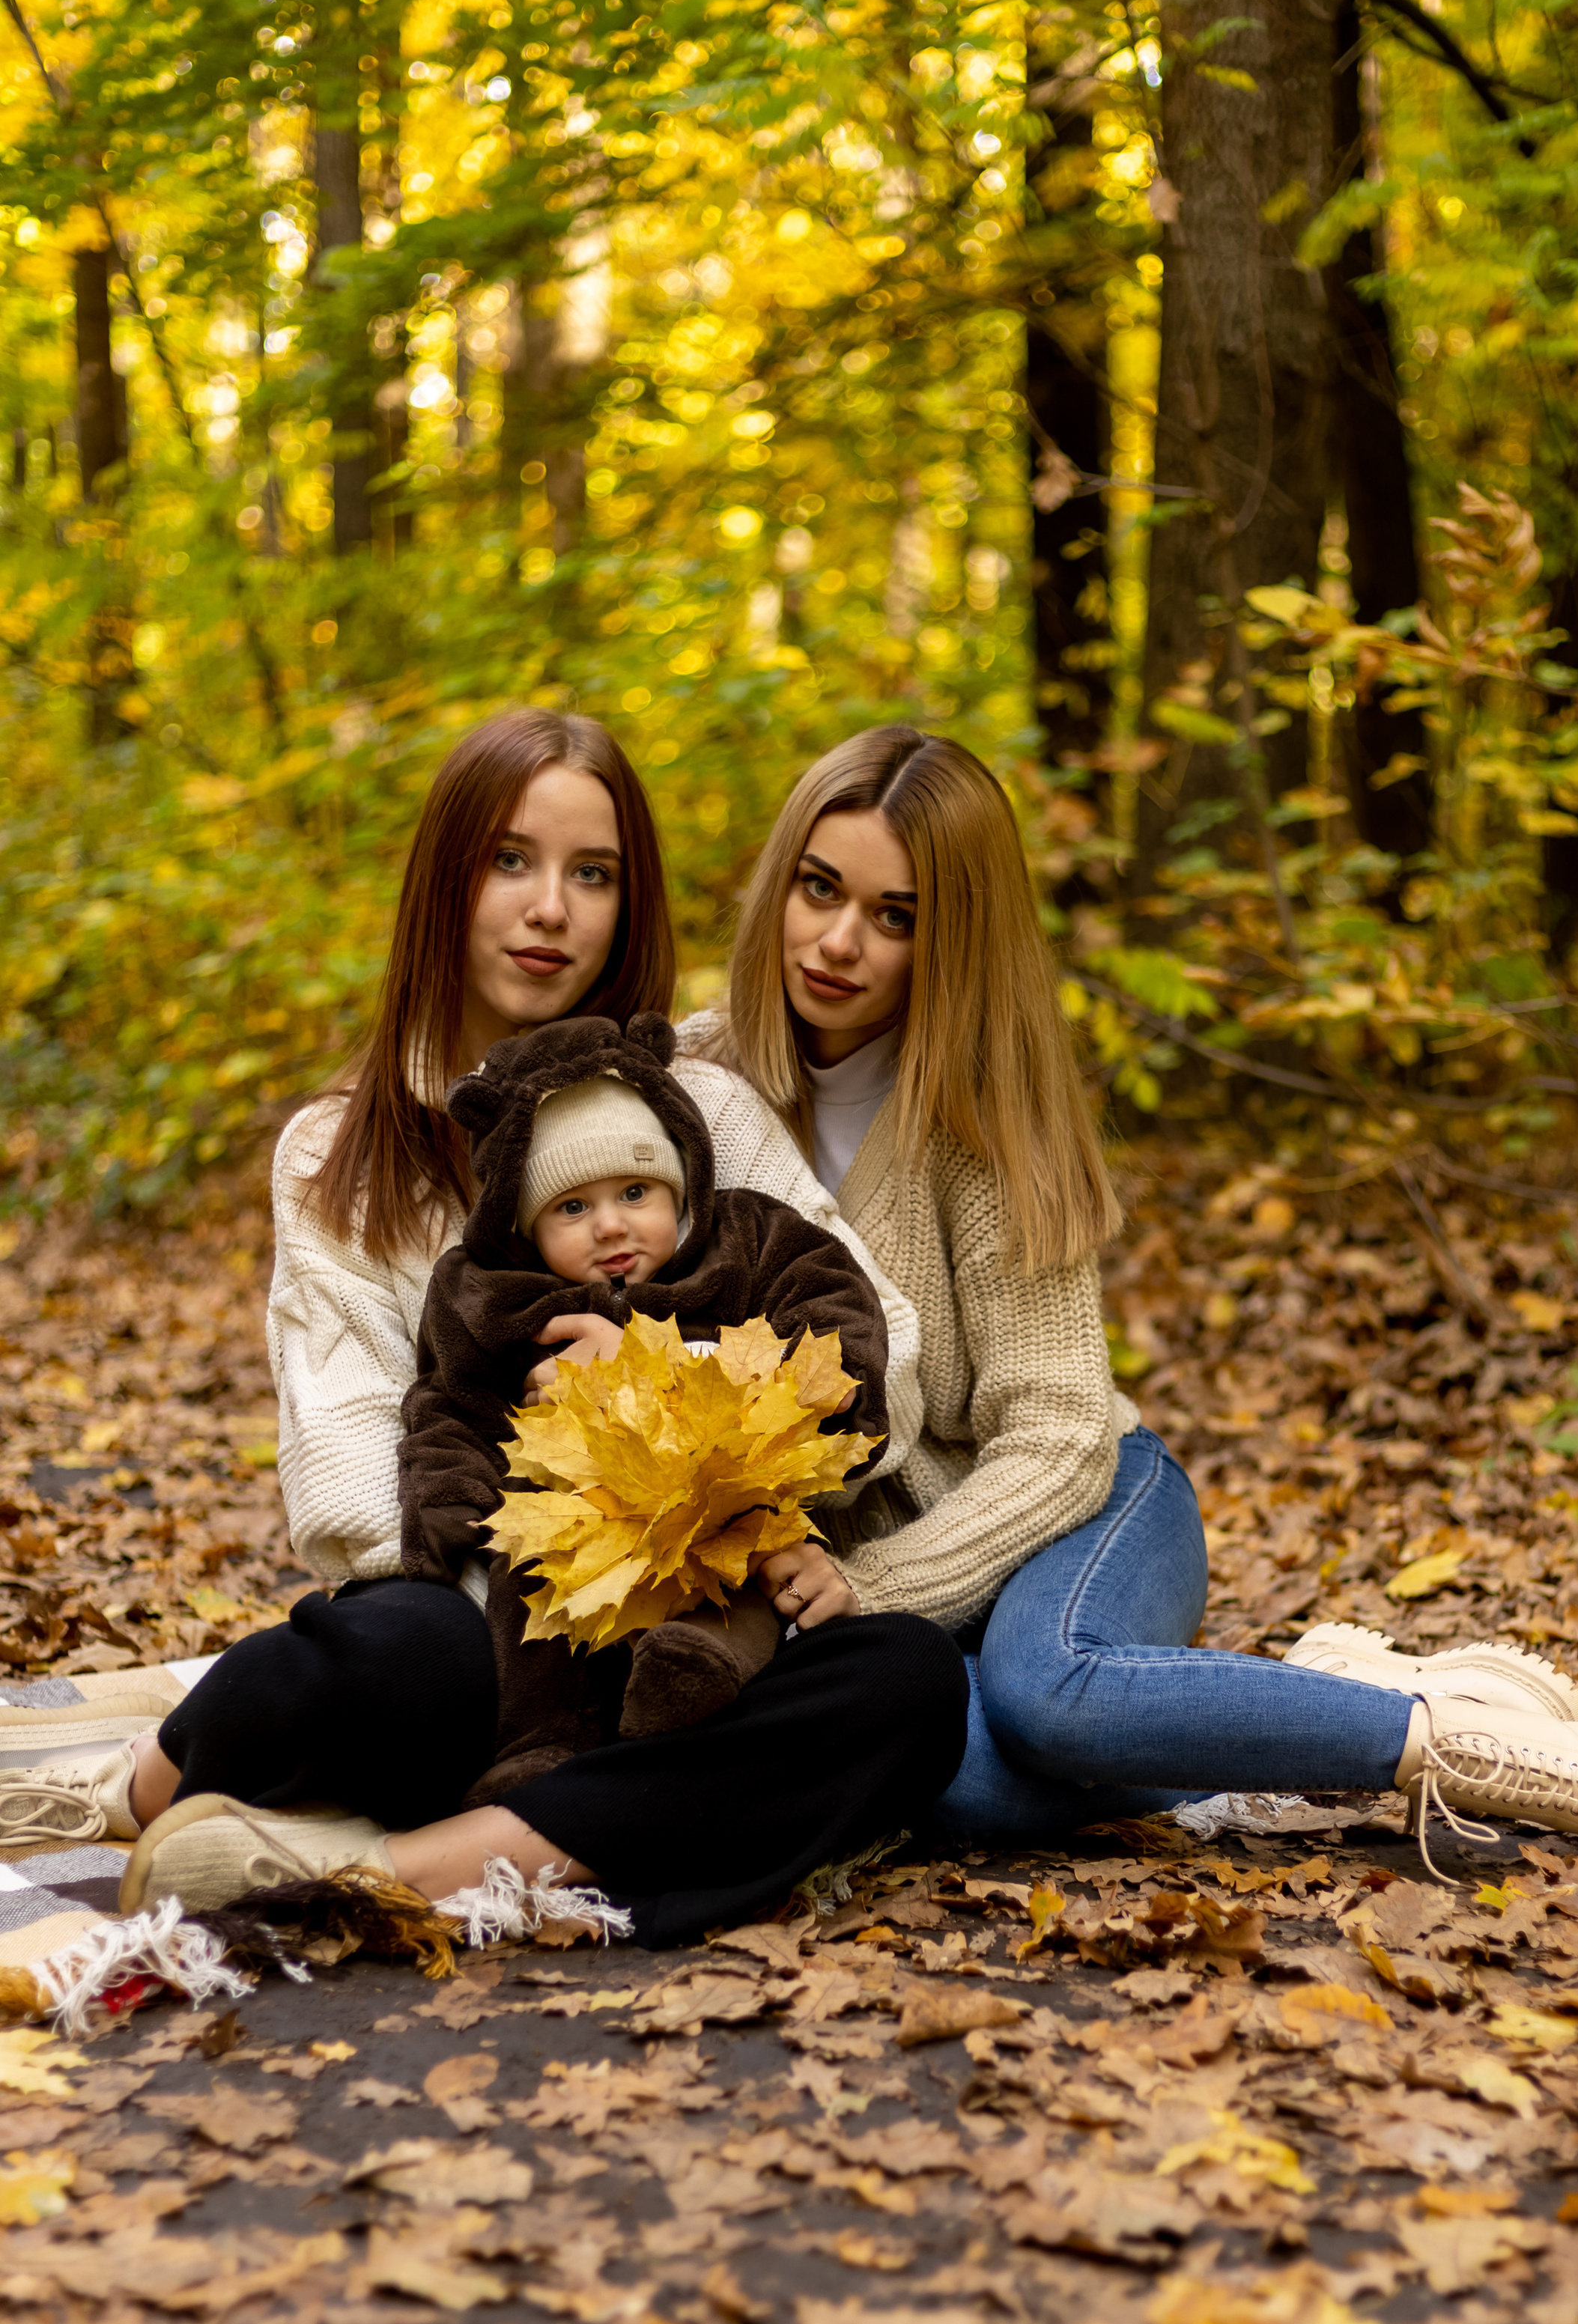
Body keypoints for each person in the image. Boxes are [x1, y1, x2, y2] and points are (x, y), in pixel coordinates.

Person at [667, 723, 1578, 1912]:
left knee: (1047, 1698)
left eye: (897, 916)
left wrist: (876, 1590)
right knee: (952, 1779)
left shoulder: (979, 1125)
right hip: (904, 1597)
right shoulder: (689, 1093)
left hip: (1087, 1507)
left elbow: (1058, 1439)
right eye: (820, 889)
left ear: (956, 937)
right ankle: (1316, 1692)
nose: (839, 942)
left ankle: (1503, 1757)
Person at [0, 709, 965, 1936]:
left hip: (684, 1624)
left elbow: (883, 1358)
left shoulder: (700, 1108)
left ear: (630, 905)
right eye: (511, 860)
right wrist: (543, 1596)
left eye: (593, 875)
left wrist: (660, 1397)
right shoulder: (337, 1153)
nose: (550, 909)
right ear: (444, 879)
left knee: (906, 1682)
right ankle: (142, 1786)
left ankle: (415, 1870)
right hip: (467, 1643)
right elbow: (349, 1495)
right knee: (402, 1655)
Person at [399, 1003, 890, 1786]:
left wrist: (821, 1389)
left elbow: (833, 1308)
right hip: (576, 1532)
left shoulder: (740, 1247)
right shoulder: (500, 1300)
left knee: (744, 1555)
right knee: (531, 1587)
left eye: (635, 1191)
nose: (609, 1227)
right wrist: (446, 1508)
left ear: (676, 1183)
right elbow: (447, 1405)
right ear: (525, 1226)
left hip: (720, 1498)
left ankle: (693, 1672)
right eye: (572, 1208)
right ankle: (539, 1748)